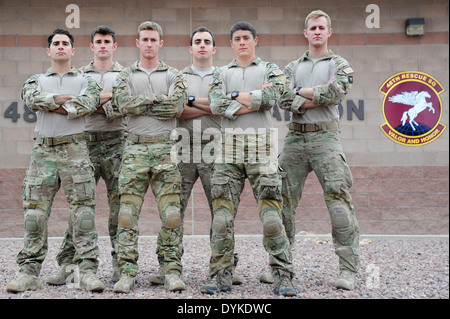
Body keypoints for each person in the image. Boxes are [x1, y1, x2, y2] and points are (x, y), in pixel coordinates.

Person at [202, 21, 296, 297]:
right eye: (237, 38)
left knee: (271, 217)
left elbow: (272, 96)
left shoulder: (270, 70)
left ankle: (282, 275)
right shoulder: (221, 72)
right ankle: (221, 274)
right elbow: (217, 104)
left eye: (246, 37)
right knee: (221, 217)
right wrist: (250, 100)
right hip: (228, 150)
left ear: (256, 41)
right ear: (231, 44)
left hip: (261, 148)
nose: (242, 42)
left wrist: (234, 99)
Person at [6, 29, 104, 293]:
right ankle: (29, 272)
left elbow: (89, 103)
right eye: (56, 44)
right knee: (34, 215)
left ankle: (87, 272)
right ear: (48, 51)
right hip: (43, 152)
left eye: (65, 43)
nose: (60, 47)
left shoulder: (87, 80)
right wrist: (63, 101)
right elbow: (31, 99)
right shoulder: (35, 79)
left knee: (83, 213)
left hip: (75, 149)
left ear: (73, 50)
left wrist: (49, 104)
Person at [278, 10, 360, 290]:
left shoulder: (339, 63)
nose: (316, 31)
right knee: (281, 203)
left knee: (339, 204)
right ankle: (280, 268)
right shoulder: (291, 67)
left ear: (329, 32)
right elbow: (282, 98)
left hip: (326, 138)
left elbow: (337, 92)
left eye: (321, 27)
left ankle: (348, 270)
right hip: (295, 139)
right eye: (312, 27)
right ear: (305, 33)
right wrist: (315, 95)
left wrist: (300, 92)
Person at [46, 26, 126, 286]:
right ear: (91, 46)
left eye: (107, 41)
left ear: (114, 45)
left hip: (118, 144)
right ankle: (68, 266)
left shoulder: (124, 75)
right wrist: (97, 102)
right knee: (79, 211)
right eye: (98, 41)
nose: (103, 45)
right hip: (84, 144)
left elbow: (123, 106)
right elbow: (70, 108)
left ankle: (120, 266)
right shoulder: (78, 74)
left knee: (119, 210)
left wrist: (87, 103)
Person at [111, 21, 187, 293]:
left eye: (154, 39)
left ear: (161, 43)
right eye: (145, 39)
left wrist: (140, 103)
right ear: (138, 42)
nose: (149, 44)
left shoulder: (174, 75)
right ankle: (127, 272)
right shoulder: (124, 75)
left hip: (165, 151)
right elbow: (120, 105)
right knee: (127, 215)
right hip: (135, 151)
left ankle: (171, 270)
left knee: (172, 215)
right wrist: (157, 99)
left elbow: (176, 106)